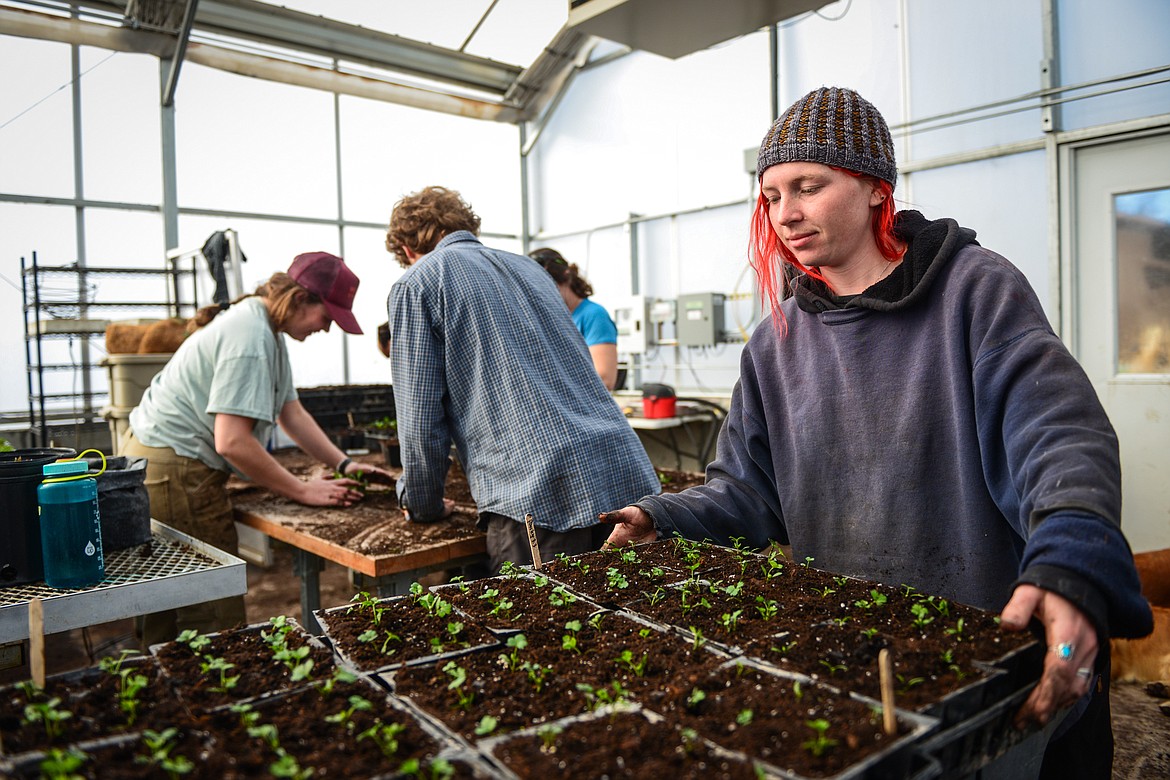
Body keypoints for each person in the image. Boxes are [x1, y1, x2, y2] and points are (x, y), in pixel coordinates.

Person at [600, 86, 1153, 778]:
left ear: (872, 188)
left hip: (994, 661)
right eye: (771, 196)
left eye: (808, 186)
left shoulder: (974, 292)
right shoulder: (776, 341)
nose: (787, 213)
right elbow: (746, 491)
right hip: (855, 665)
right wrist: (662, 517)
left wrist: (1072, 560)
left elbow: (1059, 435)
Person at [123, 251, 395, 647]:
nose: (328, 328)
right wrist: (303, 490)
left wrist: (344, 463)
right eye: (328, 317)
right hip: (176, 470)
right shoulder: (250, 338)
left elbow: (291, 412)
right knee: (208, 608)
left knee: (169, 597)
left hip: (162, 463)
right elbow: (231, 441)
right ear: (302, 299)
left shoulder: (264, 328)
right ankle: (209, 700)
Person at [384, 186, 661, 573]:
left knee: (543, 629)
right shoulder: (530, 270)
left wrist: (421, 503)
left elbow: (419, 417)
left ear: (406, 247)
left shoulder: (418, 283)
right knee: (626, 623)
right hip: (622, 468)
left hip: (541, 490)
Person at [530, 247, 620, 390]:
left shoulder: (593, 315)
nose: (544, 296)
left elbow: (604, 378)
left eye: (550, 288)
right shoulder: (547, 319)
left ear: (566, 277)